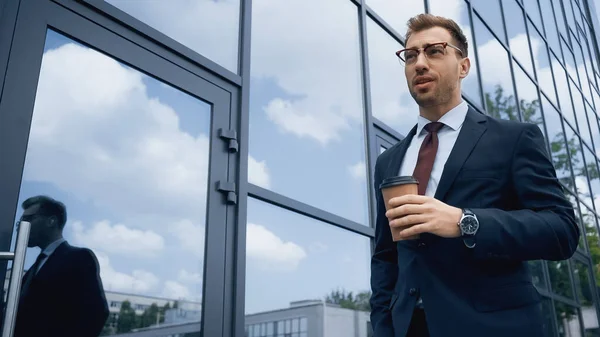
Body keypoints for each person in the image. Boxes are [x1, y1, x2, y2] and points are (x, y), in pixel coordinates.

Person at [369, 13, 579, 337]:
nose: (419, 63)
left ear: (463, 66)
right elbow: (385, 257)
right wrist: (384, 326)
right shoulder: (389, 162)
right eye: (410, 55)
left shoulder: (513, 139)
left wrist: (465, 221)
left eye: (434, 51)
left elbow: (561, 231)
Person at [13, 195, 109, 337]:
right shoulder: (33, 269)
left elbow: (96, 312)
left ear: (51, 221)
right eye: (20, 221)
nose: (21, 226)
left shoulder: (79, 258)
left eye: (28, 219)